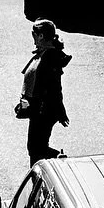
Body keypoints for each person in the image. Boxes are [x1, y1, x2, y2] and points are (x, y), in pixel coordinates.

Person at [18, 18, 70, 164]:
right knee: (35, 148)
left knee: (36, 148)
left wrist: (60, 110)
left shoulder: (50, 57)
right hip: (39, 109)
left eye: (34, 34)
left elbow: (54, 87)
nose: (33, 38)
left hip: (44, 110)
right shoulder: (44, 53)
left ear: (40, 35)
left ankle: (61, 162)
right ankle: (40, 178)